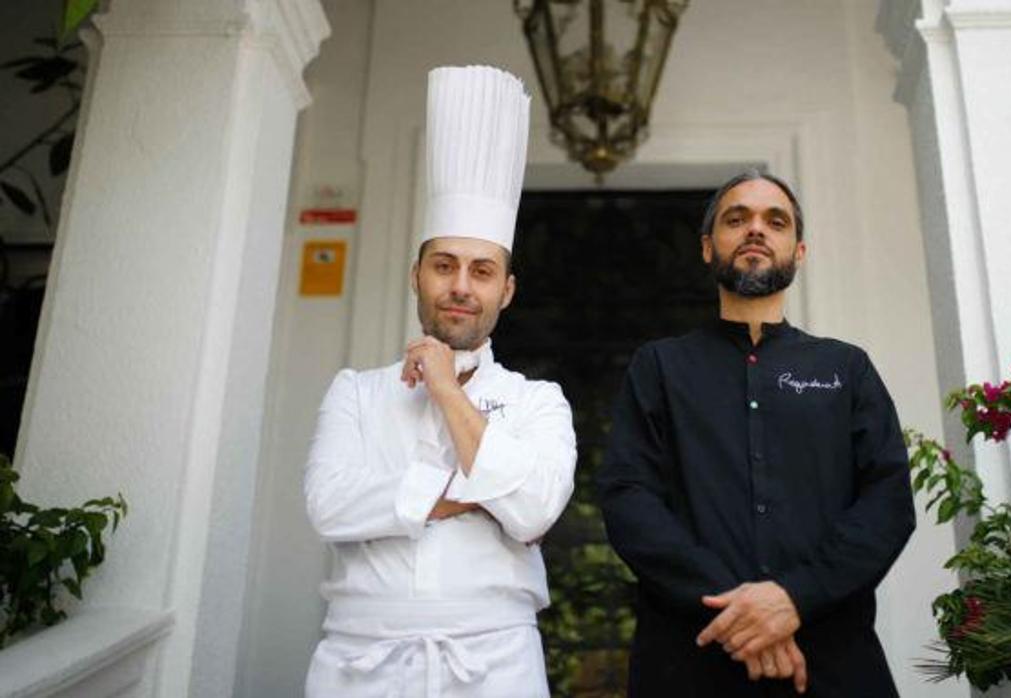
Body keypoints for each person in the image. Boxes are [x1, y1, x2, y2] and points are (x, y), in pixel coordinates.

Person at [303, 65, 575, 698]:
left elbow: (534, 509)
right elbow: (328, 505)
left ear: (505, 291)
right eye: (444, 265)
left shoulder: (539, 402)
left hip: (497, 665)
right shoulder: (357, 391)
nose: (460, 285)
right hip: (357, 664)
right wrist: (475, 492)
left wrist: (449, 390)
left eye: (482, 271)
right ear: (416, 275)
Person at [597, 170, 916, 697]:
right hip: (690, 661)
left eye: (775, 220)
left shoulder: (846, 367)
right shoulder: (659, 367)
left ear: (799, 250)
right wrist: (745, 613)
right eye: (736, 218)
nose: (755, 230)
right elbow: (629, 500)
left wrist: (795, 598)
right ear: (707, 247)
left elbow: (887, 502)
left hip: (830, 661)